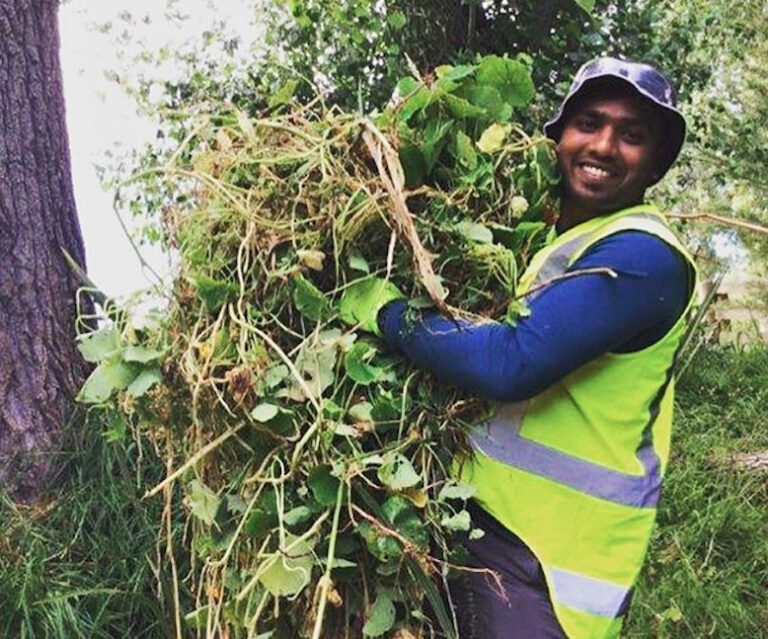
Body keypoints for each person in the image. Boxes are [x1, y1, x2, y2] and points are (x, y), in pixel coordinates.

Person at [341, 57, 698, 639]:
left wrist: (384, 313)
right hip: (485, 527)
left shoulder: (645, 257)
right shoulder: (549, 241)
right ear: (556, 138)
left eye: (632, 136)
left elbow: (510, 362)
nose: (604, 145)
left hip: (549, 568)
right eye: (589, 123)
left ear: (655, 165)